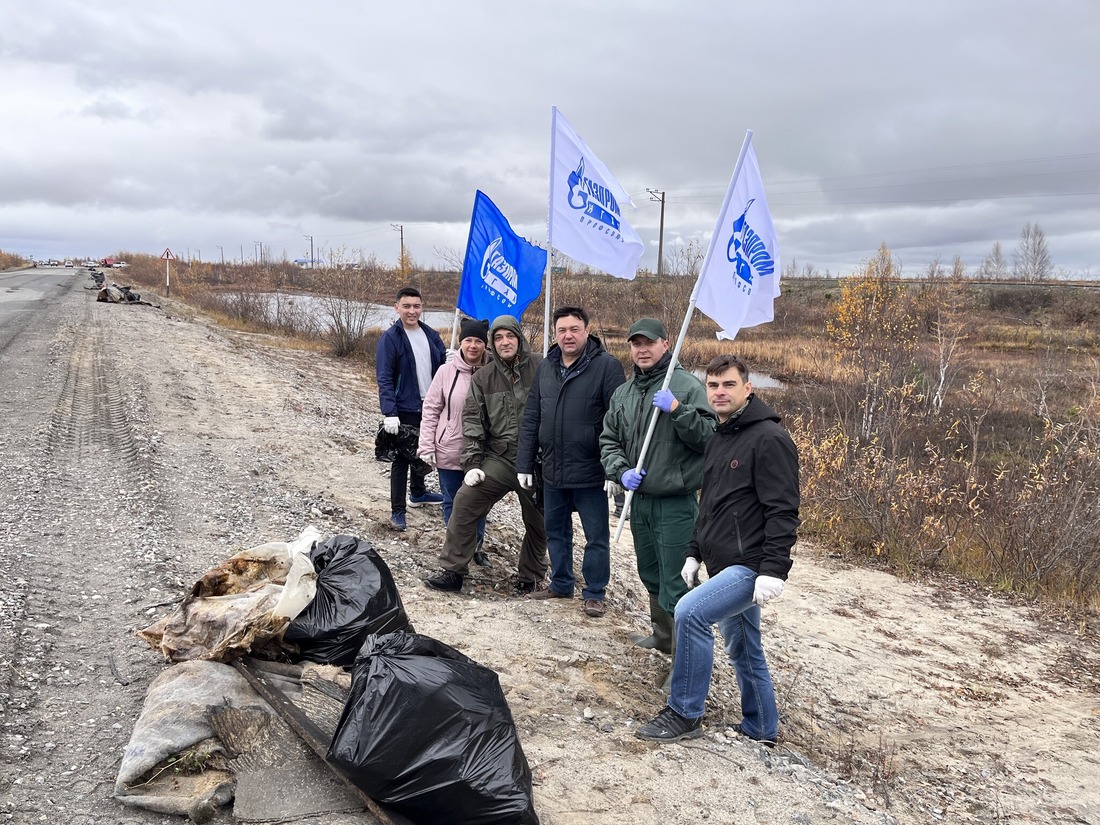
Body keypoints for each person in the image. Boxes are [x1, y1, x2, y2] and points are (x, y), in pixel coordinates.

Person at [635, 354, 799, 745]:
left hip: (750, 566)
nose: (720, 392)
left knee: (689, 612)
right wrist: (694, 551)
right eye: (713, 385)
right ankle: (761, 728)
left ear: (748, 388)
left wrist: (773, 570)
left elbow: (782, 509)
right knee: (744, 646)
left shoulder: (769, 439)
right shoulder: (721, 436)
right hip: (721, 562)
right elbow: (709, 503)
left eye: (728, 384)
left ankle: (684, 713)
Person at [599, 318, 715, 688]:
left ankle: (685, 664)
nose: (641, 350)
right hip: (640, 500)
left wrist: (679, 410)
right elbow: (609, 439)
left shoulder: (686, 386)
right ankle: (663, 637)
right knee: (650, 573)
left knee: (676, 582)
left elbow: (711, 438)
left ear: (666, 344)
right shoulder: (625, 391)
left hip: (676, 504)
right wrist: (619, 471)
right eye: (635, 344)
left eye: (649, 343)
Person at [425, 316, 548, 594]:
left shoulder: (543, 367)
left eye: (510, 336)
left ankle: (530, 576)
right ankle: (453, 570)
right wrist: (472, 464)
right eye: (499, 337)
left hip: (537, 462)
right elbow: (472, 421)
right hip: (500, 459)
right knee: (465, 502)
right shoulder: (483, 377)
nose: (505, 342)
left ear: (520, 339)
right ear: (493, 342)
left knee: (540, 521)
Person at [517, 306, 625, 618]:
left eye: (574, 329)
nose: (568, 335)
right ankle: (561, 584)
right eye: (562, 329)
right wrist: (524, 464)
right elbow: (532, 416)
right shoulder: (546, 367)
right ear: (555, 333)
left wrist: (614, 469)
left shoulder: (607, 367)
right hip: (552, 469)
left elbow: (618, 422)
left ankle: (594, 593)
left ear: (586, 331)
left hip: (591, 471)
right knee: (556, 531)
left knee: (596, 537)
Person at [418, 317, 492, 566]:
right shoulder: (446, 371)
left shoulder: (494, 372)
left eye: (479, 341)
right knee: (452, 501)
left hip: (482, 453)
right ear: (461, 342)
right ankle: (456, 547)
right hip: (449, 449)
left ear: (485, 344)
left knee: (478, 503)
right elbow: (431, 408)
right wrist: (426, 445)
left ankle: (476, 547)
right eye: (468, 340)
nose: (473, 345)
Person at [376, 286, 447, 532]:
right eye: (406, 306)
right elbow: (384, 377)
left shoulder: (431, 335)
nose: (412, 311)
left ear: (422, 307)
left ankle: (418, 493)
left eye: (416, 306)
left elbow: (441, 367)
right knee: (402, 459)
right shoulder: (391, 338)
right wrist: (389, 412)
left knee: (424, 450)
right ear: (396, 308)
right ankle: (397, 511)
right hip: (404, 407)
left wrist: (450, 359)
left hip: (431, 405)